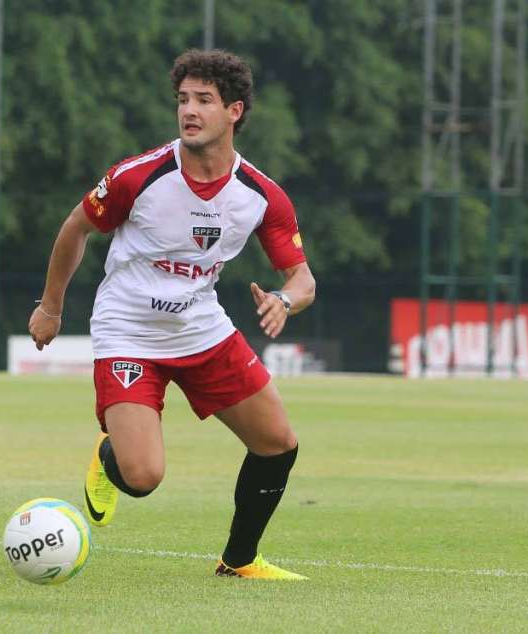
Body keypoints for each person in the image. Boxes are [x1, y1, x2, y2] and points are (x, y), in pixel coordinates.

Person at [28, 49, 316, 580]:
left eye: (204, 100)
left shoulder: (259, 195)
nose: (190, 110)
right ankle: (112, 450)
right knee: (141, 478)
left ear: (234, 111)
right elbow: (75, 228)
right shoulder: (137, 177)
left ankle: (239, 561)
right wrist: (51, 307)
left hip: (202, 328)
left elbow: (302, 279)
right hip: (129, 332)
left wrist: (284, 300)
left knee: (278, 444)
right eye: (184, 99)